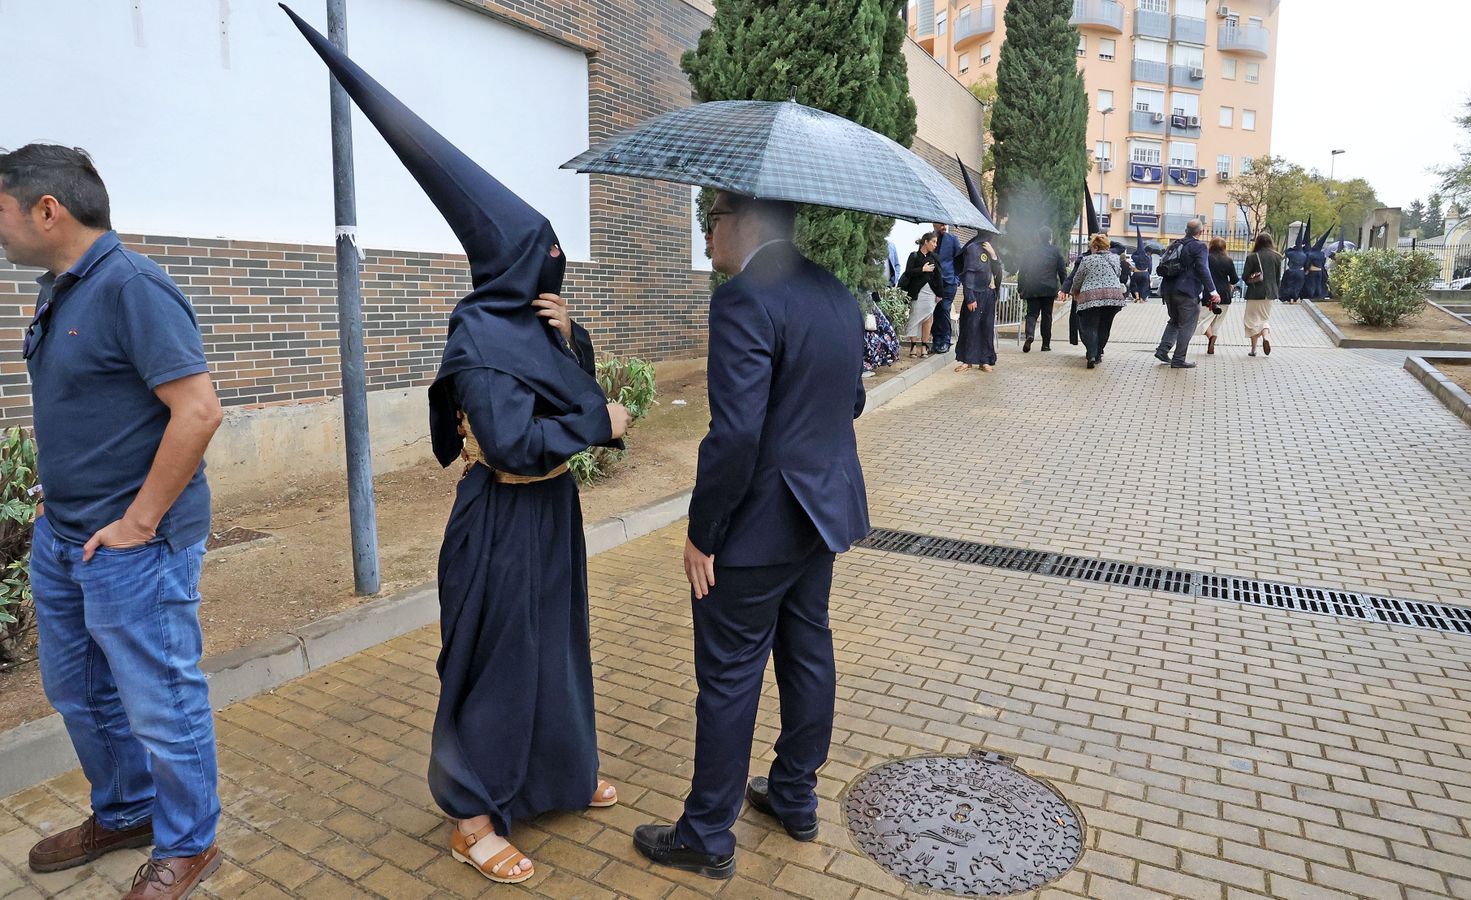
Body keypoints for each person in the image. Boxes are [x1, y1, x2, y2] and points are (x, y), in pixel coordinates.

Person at [280, 11, 634, 886]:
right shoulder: (477, 339)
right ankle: (471, 814)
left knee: (556, 645)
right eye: (544, 257)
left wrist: (570, 341)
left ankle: (556, 773)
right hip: (503, 517)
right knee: (496, 661)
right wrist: (603, 424)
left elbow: (573, 400)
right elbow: (514, 445)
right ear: (514, 260)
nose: (554, 270)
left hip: (551, 514)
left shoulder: (538, 327)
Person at [2, 144, 225, 899]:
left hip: (135, 546)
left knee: (162, 700)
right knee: (80, 692)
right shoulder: (59, 288)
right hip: (65, 536)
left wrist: (138, 521)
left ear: (46, 210)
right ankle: (127, 809)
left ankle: (190, 842)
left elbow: (198, 412)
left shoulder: (134, 287)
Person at [633, 191, 870, 879]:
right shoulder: (834, 292)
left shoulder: (743, 299)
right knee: (807, 650)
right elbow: (846, 400)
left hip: (758, 528)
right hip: (820, 516)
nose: (707, 239)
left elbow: (734, 435)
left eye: (711, 223)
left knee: (731, 676)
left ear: (744, 224)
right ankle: (794, 796)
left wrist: (703, 534)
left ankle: (707, 834)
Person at [1153, 219, 1221, 370]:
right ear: (1200, 232)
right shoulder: (1199, 247)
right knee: (1187, 325)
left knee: (1175, 321)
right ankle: (1179, 359)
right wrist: (1213, 291)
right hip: (1187, 291)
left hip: (1169, 290)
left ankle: (1163, 350)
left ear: (1185, 231)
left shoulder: (1175, 244)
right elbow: (1203, 269)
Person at [1068, 233, 1127, 369]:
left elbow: (1078, 278)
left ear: (1094, 247)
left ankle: (1091, 355)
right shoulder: (1115, 258)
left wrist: (1075, 291)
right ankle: (1099, 353)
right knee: (1104, 326)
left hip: (1090, 297)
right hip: (1112, 297)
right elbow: (1117, 274)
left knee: (1090, 326)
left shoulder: (1087, 260)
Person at [954, 232, 1003, 373]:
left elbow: (998, 272)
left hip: (988, 294)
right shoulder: (972, 248)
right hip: (975, 295)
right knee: (971, 327)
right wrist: (969, 297)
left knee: (987, 328)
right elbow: (968, 274)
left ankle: (985, 360)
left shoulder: (991, 248)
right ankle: (966, 360)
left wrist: (993, 256)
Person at [1015, 226, 1067, 353]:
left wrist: (1020, 288)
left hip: (1032, 287)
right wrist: (1065, 288)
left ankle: (1029, 335)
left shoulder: (1029, 251)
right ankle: (1045, 345)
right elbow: (1062, 271)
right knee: (1047, 316)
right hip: (1049, 289)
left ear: (1038, 236)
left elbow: (1022, 272)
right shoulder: (1055, 251)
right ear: (1050, 237)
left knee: (1031, 314)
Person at [898, 231, 944, 358]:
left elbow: (939, 276)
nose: (935, 245)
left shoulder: (935, 258)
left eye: (936, 242)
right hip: (916, 292)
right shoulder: (914, 256)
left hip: (930, 293)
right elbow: (908, 272)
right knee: (914, 317)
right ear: (926, 242)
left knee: (928, 319)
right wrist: (922, 269)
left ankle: (924, 345)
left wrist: (940, 293)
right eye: (933, 242)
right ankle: (913, 345)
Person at [1240, 232, 1282, 357]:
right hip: (1270, 293)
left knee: (1251, 320)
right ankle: (1266, 336)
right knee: (1263, 319)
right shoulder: (1277, 257)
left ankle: (1253, 349)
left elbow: (1244, 276)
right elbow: (1277, 278)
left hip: (1255, 292)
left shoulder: (1252, 257)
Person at [1200, 236, 1240, 355]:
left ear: (1211, 246)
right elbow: (1234, 280)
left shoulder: (1206, 258)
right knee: (1217, 321)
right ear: (1224, 247)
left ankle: (1210, 337)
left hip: (1208, 293)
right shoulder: (1228, 260)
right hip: (1224, 295)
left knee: (1201, 318)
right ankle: (1213, 340)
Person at [930, 222, 961, 353]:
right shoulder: (930, 239)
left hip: (949, 282)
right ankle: (936, 341)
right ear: (934, 224)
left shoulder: (953, 239)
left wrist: (957, 279)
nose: (944, 226)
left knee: (944, 309)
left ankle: (946, 341)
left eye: (945, 224)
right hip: (933, 282)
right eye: (940, 224)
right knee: (935, 312)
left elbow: (960, 260)